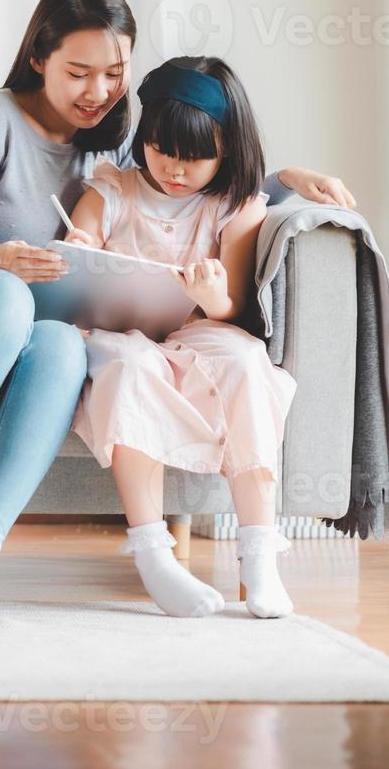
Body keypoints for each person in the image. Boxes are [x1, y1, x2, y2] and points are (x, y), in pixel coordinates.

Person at [0, 0, 354, 626]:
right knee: (6, 297)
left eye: (113, 73)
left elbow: (188, 172)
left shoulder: (117, 140)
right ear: (39, 58)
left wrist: (283, 179)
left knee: (59, 340)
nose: (97, 93)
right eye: (78, 72)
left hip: (28, 320)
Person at [66, 56, 296, 618]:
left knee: (245, 362)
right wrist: (80, 245)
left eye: (196, 158)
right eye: (162, 149)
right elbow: (77, 255)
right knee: (129, 367)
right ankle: (153, 556)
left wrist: (212, 291)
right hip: (122, 333)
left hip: (198, 331)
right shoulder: (111, 188)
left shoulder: (231, 204)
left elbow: (235, 308)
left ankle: (259, 553)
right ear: (144, 136)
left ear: (227, 152)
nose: (174, 168)